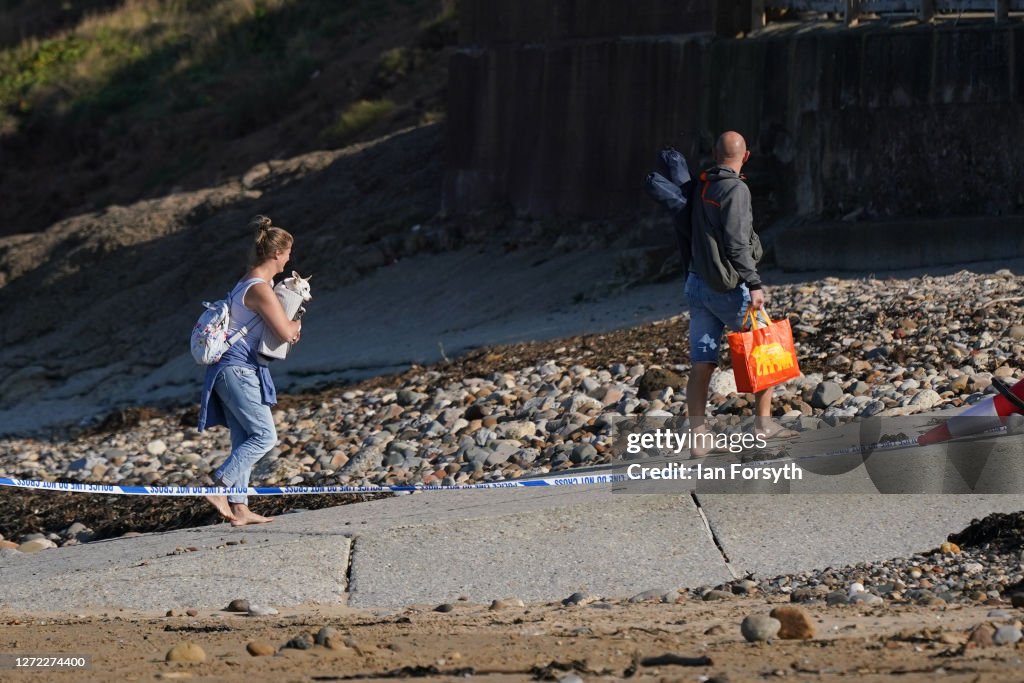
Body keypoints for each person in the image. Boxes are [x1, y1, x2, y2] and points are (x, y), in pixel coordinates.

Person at [678, 131, 794, 455]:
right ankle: (763, 424)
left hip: (696, 285)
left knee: (702, 362)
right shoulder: (736, 189)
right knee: (765, 345)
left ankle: (699, 437)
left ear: (715, 153)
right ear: (746, 156)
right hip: (727, 288)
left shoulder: (701, 184)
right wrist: (754, 283)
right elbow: (737, 243)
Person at [197, 216, 303, 525]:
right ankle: (219, 485)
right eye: (288, 252)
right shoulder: (259, 288)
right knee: (265, 436)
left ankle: (240, 509)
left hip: (230, 370)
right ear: (276, 254)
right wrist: (297, 321)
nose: (289, 258)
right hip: (237, 370)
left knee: (244, 437)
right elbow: (285, 332)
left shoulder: (250, 282)